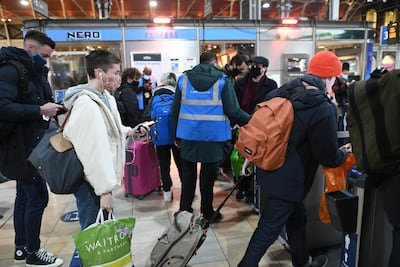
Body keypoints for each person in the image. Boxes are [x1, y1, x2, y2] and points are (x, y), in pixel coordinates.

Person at [237, 50, 349, 267]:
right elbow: (326, 155)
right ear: (328, 77)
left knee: (297, 219)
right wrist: (343, 154)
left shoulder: (284, 90)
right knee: (267, 230)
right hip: (290, 181)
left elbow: (261, 125)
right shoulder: (322, 108)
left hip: (269, 169)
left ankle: (302, 261)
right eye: (334, 78)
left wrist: (252, 158)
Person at [62, 50, 150, 266]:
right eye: (115, 72)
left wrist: (130, 131)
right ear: (99, 73)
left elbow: (113, 130)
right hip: (92, 182)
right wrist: (104, 191)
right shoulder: (86, 104)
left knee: (97, 236)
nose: (118, 78)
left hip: (101, 179)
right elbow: (93, 151)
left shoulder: (105, 98)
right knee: (93, 238)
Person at [0, 30, 64, 266]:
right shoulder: (11, 70)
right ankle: (33, 253)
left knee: (24, 198)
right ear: (30, 48)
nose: (45, 60)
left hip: (31, 145)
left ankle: (21, 248)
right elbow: (3, 107)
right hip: (20, 149)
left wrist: (55, 108)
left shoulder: (34, 72)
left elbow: (37, 101)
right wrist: (39, 111)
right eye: (43, 55)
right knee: (37, 198)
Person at [170, 51, 251, 222]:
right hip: (213, 137)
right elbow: (234, 111)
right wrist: (254, 121)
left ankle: (185, 210)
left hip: (188, 135)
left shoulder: (183, 80)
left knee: (188, 174)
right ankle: (207, 211)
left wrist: (175, 135)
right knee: (208, 176)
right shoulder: (223, 81)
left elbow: (174, 112)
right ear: (214, 62)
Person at [234, 56, 278, 201]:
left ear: (265, 68)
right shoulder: (240, 83)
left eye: (258, 65)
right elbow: (235, 105)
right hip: (243, 125)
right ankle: (242, 186)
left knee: (257, 157)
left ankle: (256, 190)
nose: (254, 68)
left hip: (262, 126)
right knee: (242, 156)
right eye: (252, 64)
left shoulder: (271, 85)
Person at [143, 72, 182, 202]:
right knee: (181, 164)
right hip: (177, 135)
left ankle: (167, 191)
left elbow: (147, 116)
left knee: (164, 165)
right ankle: (186, 188)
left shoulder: (154, 96)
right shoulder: (177, 94)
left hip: (160, 137)